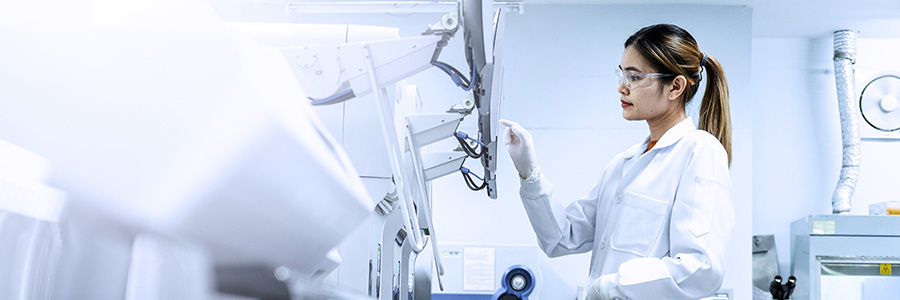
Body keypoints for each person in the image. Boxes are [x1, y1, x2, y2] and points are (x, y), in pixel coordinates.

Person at [499, 24, 735, 300]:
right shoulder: (623, 164)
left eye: (634, 77)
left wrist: (611, 287)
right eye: (621, 75)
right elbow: (561, 239)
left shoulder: (699, 152)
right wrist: (530, 174)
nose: (622, 88)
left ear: (675, 86)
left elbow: (701, 270)